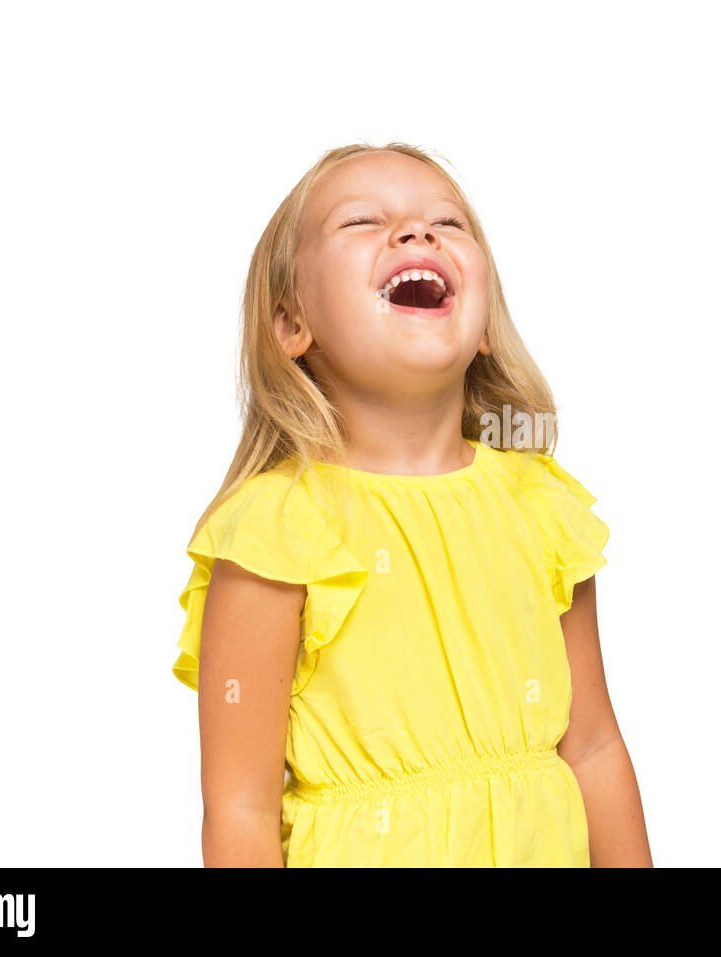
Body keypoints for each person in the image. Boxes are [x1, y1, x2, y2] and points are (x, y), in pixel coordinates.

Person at [172, 142, 651, 866]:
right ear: (290, 323)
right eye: (362, 220)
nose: (417, 233)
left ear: (484, 326)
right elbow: (240, 807)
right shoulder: (280, 529)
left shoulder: (539, 506)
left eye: (449, 224)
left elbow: (592, 747)